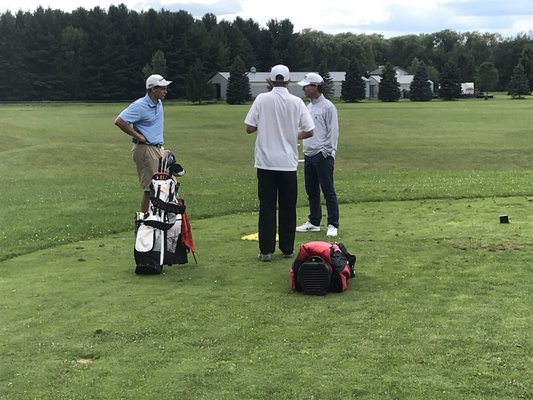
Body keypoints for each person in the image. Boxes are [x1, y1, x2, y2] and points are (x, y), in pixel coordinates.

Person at [244, 64, 315, 262]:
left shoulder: (262, 99)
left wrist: (266, 127)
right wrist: (292, 135)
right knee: (288, 206)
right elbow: (310, 131)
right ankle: (287, 248)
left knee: (267, 205)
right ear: (288, 80)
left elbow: (249, 128)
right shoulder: (297, 102)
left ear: (270, 80)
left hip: (266, 162)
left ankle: (266, 250)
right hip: (287, 163)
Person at [114, 74, 172, 213]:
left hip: (158, 148)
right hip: (145, 149)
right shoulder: (140, 106)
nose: (165, 91)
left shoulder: (158, 103)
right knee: (150, 188)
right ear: (153, 89)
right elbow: (120, 121)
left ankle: (159, 217)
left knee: (164, 185)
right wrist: (138, 135)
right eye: (162, 88)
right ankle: (145, 222)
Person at [295, 72, 340, 237]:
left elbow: (333, 132)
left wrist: (327, 152)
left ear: (315, 87)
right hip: (308, 154)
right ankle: (314, 221)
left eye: (306, 86)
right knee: (311, 190)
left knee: (328, 190)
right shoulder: (308, 107)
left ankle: (333, 223)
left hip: (323, 155)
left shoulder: (328, 107)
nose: (304, 90)